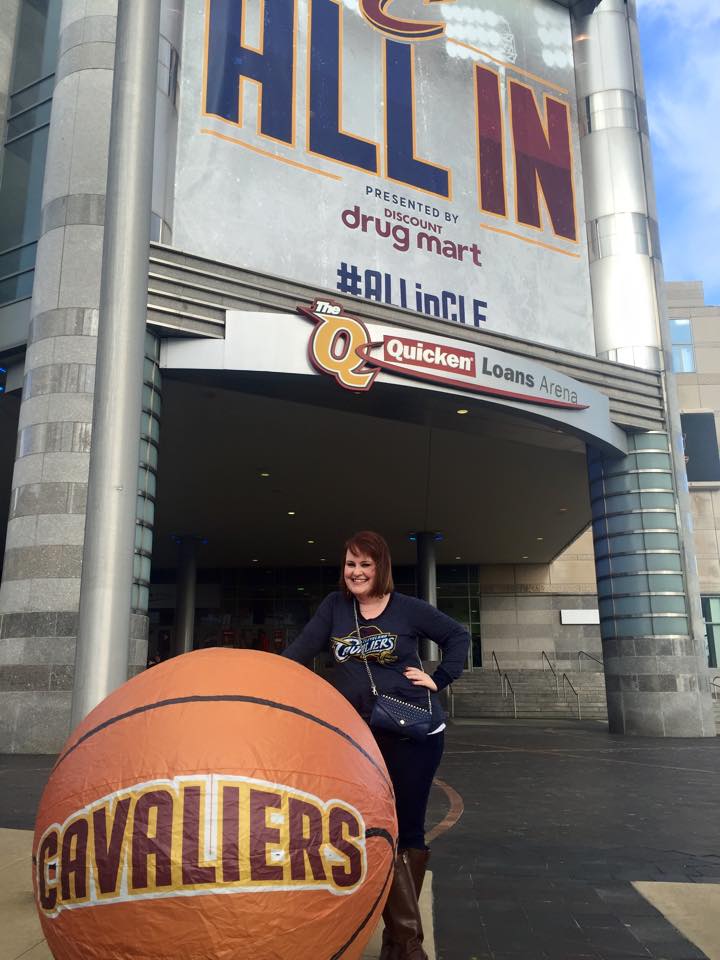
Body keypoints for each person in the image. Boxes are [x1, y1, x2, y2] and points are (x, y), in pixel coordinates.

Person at [283, 531, 469, 960]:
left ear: (380, 567)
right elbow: (299, 652)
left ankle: (402, 943)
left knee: (408, 829)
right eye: (351, 564)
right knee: (370, 828)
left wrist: (439, 679)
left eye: (365, 564)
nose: (356, 572)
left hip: (414, 735)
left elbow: (458, 636)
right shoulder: (335, 608)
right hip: (360, 738)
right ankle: (404, 944)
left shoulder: (406, 608)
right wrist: (254, 669)